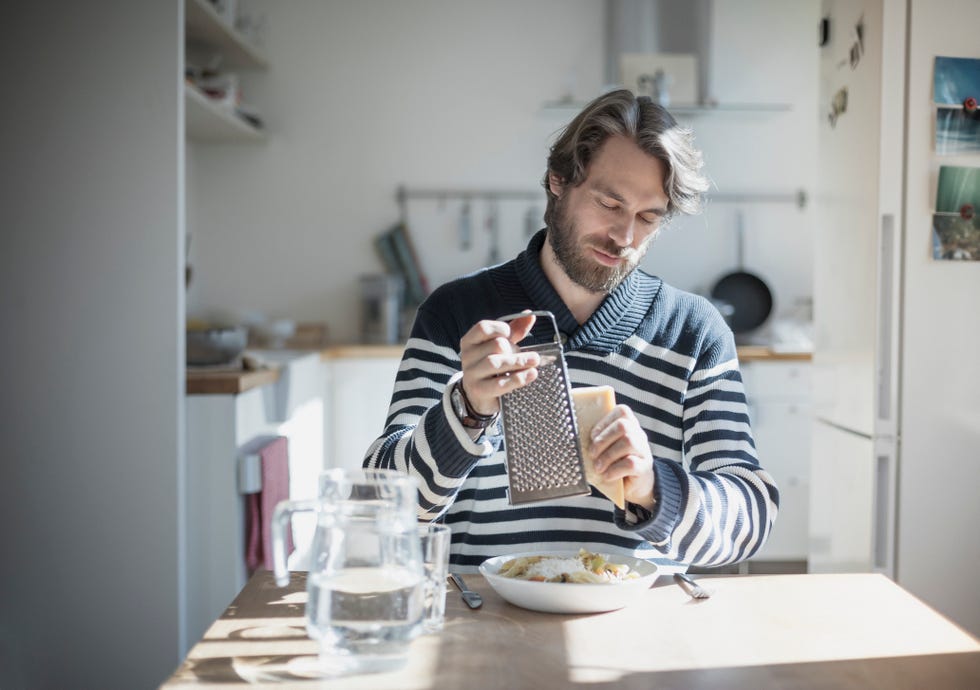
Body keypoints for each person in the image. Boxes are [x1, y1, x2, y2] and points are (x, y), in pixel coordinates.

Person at [365, 89, 778, 574]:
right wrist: (466, 410)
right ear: (557, 181)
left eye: (648, 217)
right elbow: (383, 504)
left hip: (635, 627)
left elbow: (750, 516)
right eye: (609, 203)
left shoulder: (694, 331)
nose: (624, 237)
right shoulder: (456, 313)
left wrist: (651, 486)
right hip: (483, 617)